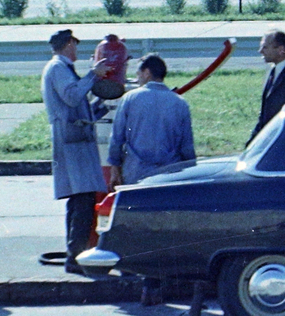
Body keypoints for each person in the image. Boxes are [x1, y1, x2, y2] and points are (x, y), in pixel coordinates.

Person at [42, 29, 114, 273]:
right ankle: (76, 258)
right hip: (72, 143)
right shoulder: (57, 69)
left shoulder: (63, 69)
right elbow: (72, 97)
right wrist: (93, 75)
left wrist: (99, 107)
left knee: (78, 201)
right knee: (82, 201)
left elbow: (76, 105)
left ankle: (75, 255)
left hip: (75, 141)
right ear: (68, 44)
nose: (77, 50)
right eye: (75, 44)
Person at [107, 53, 196, 186]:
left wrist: (114, 167)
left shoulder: (130, 98)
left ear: (147, 73)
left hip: (135, 174)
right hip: (170, 176)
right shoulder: (180, 103)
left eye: (138, 74)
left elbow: (117, 137)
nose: (137, 79)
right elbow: (187, 146)